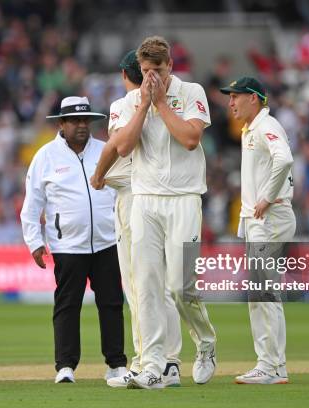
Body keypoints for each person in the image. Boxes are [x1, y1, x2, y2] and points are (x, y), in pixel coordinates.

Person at [111, 36, 217, 389]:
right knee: (147, 284)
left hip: (185, 197)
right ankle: (154, 365)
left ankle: (205, 343)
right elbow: (123, 147)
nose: (151, 77)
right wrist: (143, 105)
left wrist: (161, 104)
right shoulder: (127, 102)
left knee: (180, 286)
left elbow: (190, 139)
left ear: (170, 66)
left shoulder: (191, 92)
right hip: (144, 198)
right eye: (145, 72)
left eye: (157, 70)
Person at [90, 50, 182, 388]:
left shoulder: (126, 103)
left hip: (134, 201)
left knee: (139, 287)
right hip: (161, 197)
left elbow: (115, 147)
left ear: (126, 75)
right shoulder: (165, 100)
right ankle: (170, 362)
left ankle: (146, 362)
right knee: (162, 289)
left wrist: (98, 176)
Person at [21, 96, 127, 384]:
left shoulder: (106, 150)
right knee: (68, 305)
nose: (81, 126)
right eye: (75, 121)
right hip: (68, 245)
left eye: (85, 120)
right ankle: (65, 366)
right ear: (62, 124)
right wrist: (35, 242)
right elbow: (32, 205)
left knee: (112, 303)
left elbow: (123, 193)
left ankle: (116, 364)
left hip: (107, 242)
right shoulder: (45, 156)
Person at [220, 77, 295, 384]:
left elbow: (285, 159)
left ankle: (272, 366)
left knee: (265, 292)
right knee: (259, 293)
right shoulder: (251, 129)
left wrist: (266, 198)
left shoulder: (267, 125)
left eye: (236, 96)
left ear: (254, 98)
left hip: (272, 217)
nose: (231, 102)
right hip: (260, 220)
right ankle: (271, 364)